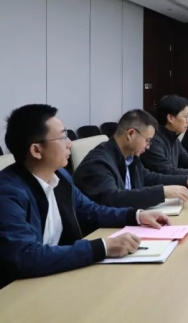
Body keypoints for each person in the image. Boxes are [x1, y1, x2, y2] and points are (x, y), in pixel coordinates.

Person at [0, 104, 169, 288]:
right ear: (36, 150)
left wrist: (136, 216)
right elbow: (25, 256)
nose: (69, 143)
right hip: (18, 289)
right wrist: (102, 247)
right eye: (62, 137)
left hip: (55, 274)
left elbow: (92, 211)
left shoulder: (60, 177)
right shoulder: (8, 193)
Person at [75, 109, 188, 210]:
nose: (148, 146)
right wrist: (161, 192)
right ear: (131, 134)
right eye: (147, 140)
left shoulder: (130, 156)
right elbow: (113, 199)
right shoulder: (98, 163)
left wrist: (185, 180)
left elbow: (148, 177)